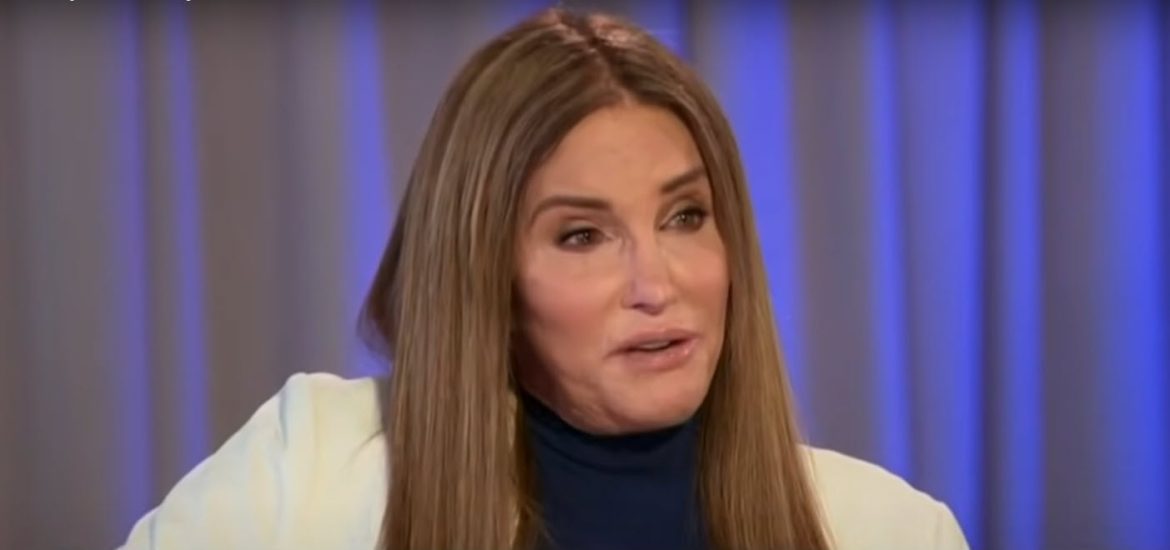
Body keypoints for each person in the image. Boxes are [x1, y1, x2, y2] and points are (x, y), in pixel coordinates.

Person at [118, 8, 968, 550]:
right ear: (483, 281)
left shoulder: (890, 529)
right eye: (582, 235)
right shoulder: (302, 477)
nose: (656, 283)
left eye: (685, 217)